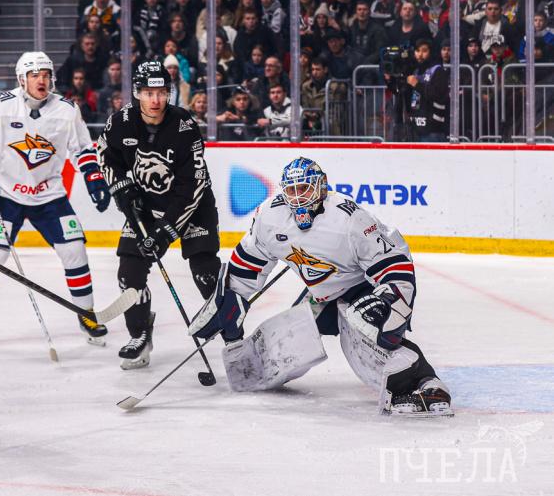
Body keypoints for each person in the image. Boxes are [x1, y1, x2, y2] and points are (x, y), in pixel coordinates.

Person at [189, 157, 453, 417]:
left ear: (321, 186)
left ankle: (427, 385)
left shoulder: (350, 219)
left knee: (364, 346)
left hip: (361, 290)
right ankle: (254, 371)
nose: (298, 198)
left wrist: (390, 301)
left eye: (304, 188)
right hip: (322, 294)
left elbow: (394, 262)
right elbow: (248, 262)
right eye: (291, 190)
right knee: (288, 340)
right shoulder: (269, 216)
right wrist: (232, 298)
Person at [0, 51, 111, 348]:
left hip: (49, 195)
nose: (41, 80)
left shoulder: (67, 110)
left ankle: (87, 314)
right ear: (21, 79)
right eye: (34, 75)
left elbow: (82, 149)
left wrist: (93, 177)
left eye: (45, 75)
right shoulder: (0, 105)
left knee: (75, 251)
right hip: (5, 194)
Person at [98, 61, 221, 369]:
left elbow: (192, 186)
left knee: (206, 273)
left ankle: (234, 334)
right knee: (129, 273)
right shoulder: (121, 122)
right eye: (149, 93)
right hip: (147, 205)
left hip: (193, 208)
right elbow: (105, 156)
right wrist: (122, 189)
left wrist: (165, 231)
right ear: (137, 93)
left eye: (162, 93)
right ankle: (140, 334)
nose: (155, 100)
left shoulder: (184, 125)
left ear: (169, 93)